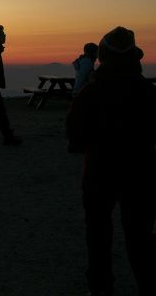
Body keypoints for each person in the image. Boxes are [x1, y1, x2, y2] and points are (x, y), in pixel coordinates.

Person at [66, 26, 156, 296]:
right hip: (141, 175)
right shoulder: (148, 92)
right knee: (140, 240)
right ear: (135, 58)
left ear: (102, 57)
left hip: (98, 175)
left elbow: (74, 135)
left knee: (98, 236)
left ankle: (101, 287)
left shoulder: (90, 94)